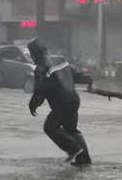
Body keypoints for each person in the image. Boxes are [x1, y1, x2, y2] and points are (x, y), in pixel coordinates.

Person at [27, 38, 92, 166]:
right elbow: (75, 74)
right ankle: (84, 159)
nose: (31, 56)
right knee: (72, 130)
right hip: (74, 99)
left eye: (31, 53)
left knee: (50, 127)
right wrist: (88, 79)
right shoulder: (61, 60)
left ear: (35, 53)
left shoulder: (41, 68)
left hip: (62, 103)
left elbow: (40, 90)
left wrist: (33, 105)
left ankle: (73, 149)